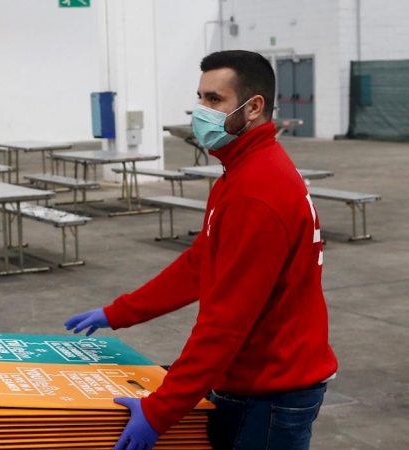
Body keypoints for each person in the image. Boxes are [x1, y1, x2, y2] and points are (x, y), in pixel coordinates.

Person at [65, 50, 338, 450]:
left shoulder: (256, 192)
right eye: (200, 98)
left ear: (254, 107)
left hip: (268, 393)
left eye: (215, 100)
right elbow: (200, 263)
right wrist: (120, 312)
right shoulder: (242, 171)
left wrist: (160, 411)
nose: (201, 110)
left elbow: (224, 324)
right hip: (259, 382)